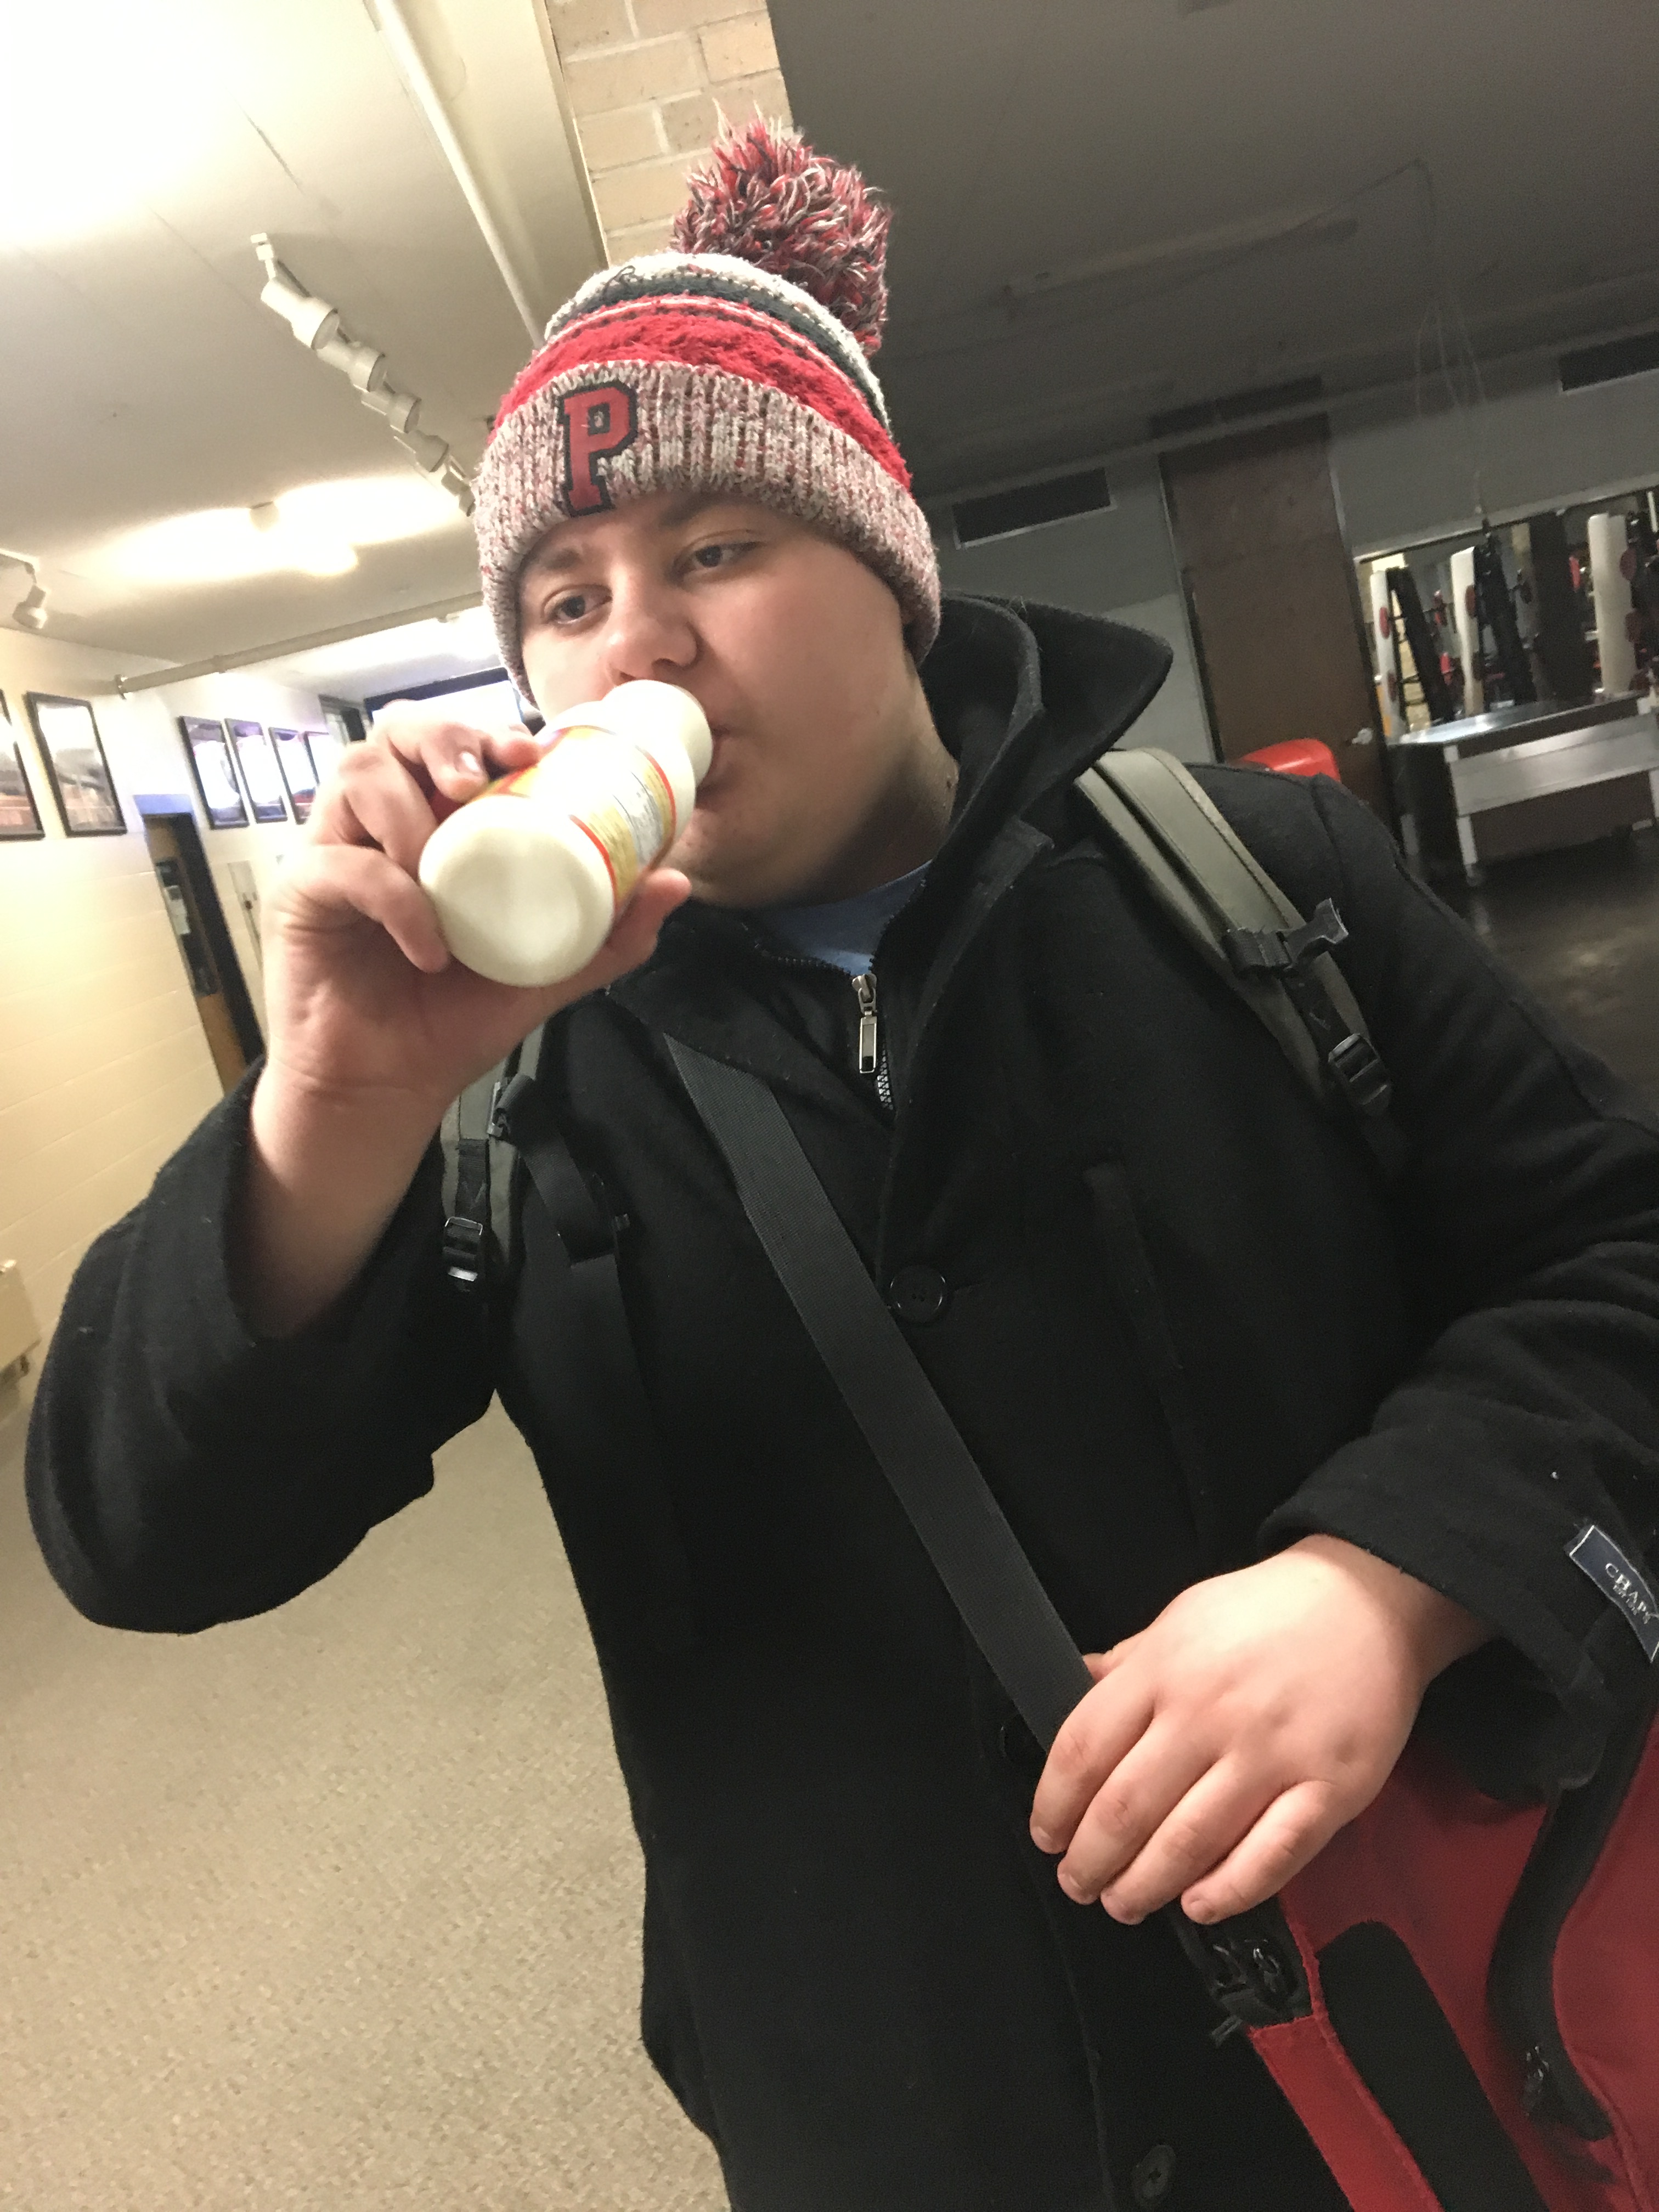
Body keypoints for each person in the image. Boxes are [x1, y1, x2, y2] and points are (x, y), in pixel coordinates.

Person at [27, 123, 1659, 2212]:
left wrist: (1389, 1585)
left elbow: (1615, 1256)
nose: (635, 644)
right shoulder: (506, 1087)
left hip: (1398, 2030)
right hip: (892, 2111)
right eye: (564, 597)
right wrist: (332, 1106)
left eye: (716, 548)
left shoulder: (1253, 883)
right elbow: (141, 1542)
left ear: (895, 572)